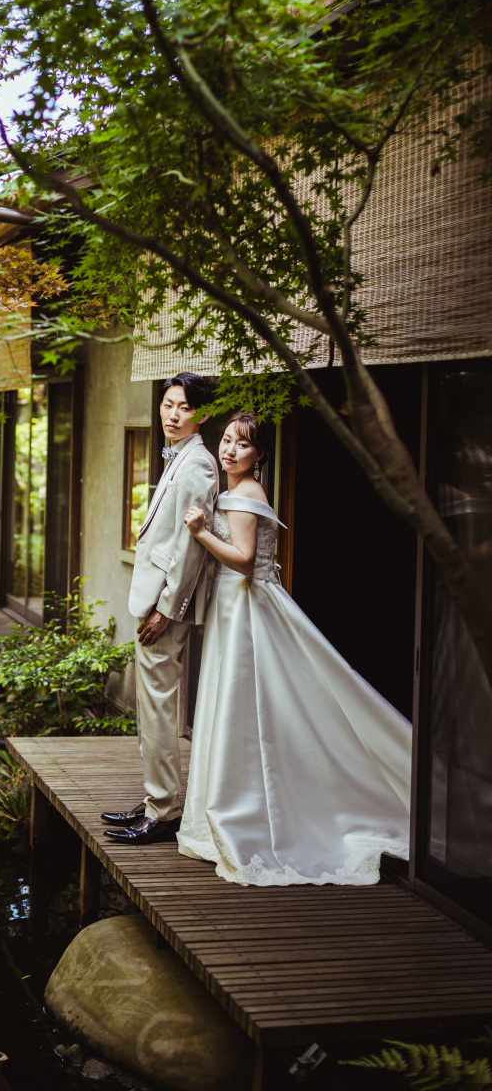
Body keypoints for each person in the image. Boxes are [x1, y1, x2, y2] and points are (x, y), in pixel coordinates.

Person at [177, 410, 412, 885]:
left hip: (246, 609)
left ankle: (250, 816)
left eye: (243, 445)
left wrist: (201, 532)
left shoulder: (246, 495)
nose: (230, 450)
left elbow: (243, 562)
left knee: (252, 711)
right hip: (235, 608)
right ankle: (235, 810)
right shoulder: (234, 492)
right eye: (226, 440)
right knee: (249, 711)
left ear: (260, 455)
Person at [102, 373, 219, 846]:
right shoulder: (181, 457)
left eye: (183, 407)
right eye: (168, 404)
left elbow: (191, 550)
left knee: (158, 708)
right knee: (152, 709)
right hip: (154, 600)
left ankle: (164, 810)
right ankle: (157, 800)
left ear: (203, 415)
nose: (172, 414)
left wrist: (166, 610)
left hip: (165, 607)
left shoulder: (198, 466)